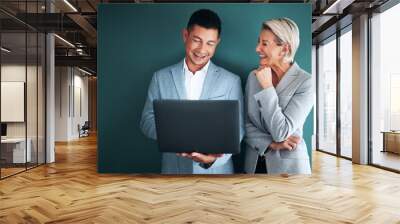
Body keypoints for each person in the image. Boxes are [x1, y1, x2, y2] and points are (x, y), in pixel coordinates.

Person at [140, 9, 244, 174]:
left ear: (217, 42)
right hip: (173, 173)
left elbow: (238, 130)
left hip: (217, 176)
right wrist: (175, 135)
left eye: (210, 43)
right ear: (185, 35)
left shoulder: (231, 81)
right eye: (197, 40)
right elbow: (146, 121)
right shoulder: (160, 77)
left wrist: (213, 160)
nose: (202, 49)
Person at [244, 18, 313, 175]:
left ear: (284, 49)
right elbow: (245, 124)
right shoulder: (253, 77)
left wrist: (267, 88)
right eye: (258, 42)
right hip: (253, 165)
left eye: (264, 43)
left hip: (290, 171)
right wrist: (271, 144)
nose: (257, 48)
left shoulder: (305, 82)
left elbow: (281, 132)